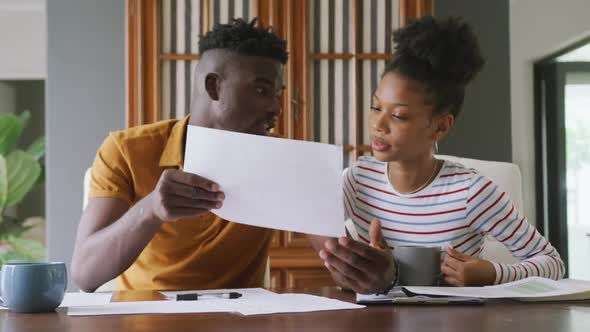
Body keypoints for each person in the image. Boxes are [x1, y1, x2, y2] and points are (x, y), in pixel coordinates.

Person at [310, 16, 565, 294]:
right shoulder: (359, 180)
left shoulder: (471, 192)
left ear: (441, 126)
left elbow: (552, 263)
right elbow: (314, 219)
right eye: (375, 107)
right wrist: (353, 263)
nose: (378, 125)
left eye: (398, 115)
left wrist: (492, 273)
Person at [71, 18, 288, 292]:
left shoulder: (281, 158)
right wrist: (150, 211)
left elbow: (329, 249)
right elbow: (85, 274)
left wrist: (345, 263)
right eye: (262, 91)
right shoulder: (126, 150)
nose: (276, 107)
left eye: (279, 94)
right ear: (214, 87)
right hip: (145, 319)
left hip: (242, 320)